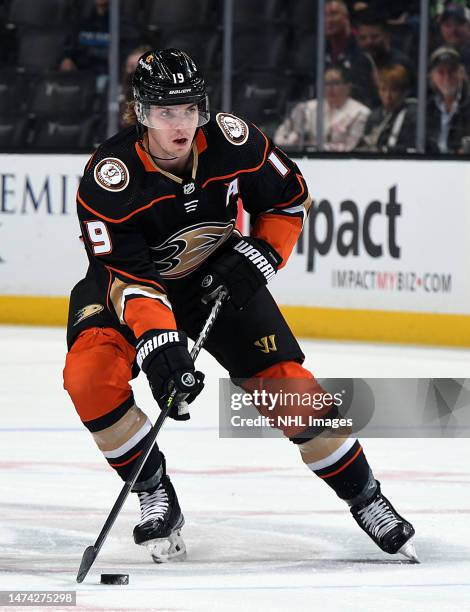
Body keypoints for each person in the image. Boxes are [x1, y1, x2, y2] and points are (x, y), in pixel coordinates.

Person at [63, 48, 417, 564]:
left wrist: (262, 255)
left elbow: (289, 198)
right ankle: (153, 488)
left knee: (290, 387)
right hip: (127, 290)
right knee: (89, 378)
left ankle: (367, 496)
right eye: (166, 111)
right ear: (141, 114)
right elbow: (129, 277)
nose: (181, 123)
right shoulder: (108, 180)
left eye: (189, 108)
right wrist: (161, 346)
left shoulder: (233, 141)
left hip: (217, 280)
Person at [274, 65, 370, 151]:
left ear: (348, 86)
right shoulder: (306, 108)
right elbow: (280, 138)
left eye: (336, 83)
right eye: (327, 83)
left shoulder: (360, 112)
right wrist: (294, 140)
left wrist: (315, 147)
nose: (330, 88)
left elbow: (350, 147)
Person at [324, 0, 378, 107]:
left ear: (346, 17)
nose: (328, 20)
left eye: (334, 14)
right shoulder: (319, 52)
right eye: (325, 15)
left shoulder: (363, 53)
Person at [358, 64, 417, 152]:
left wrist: (384, 150)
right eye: (383, 89)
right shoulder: (374, 116)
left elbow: (413, 148)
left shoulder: (413, 115)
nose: (388, 96)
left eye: (393, 90)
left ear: (404, 92)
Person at [426, 46, 470, 153]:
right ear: (432, 77)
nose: (447, 77)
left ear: (461, 73)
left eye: (452, 71)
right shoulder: (427, 108)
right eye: (441, 72)